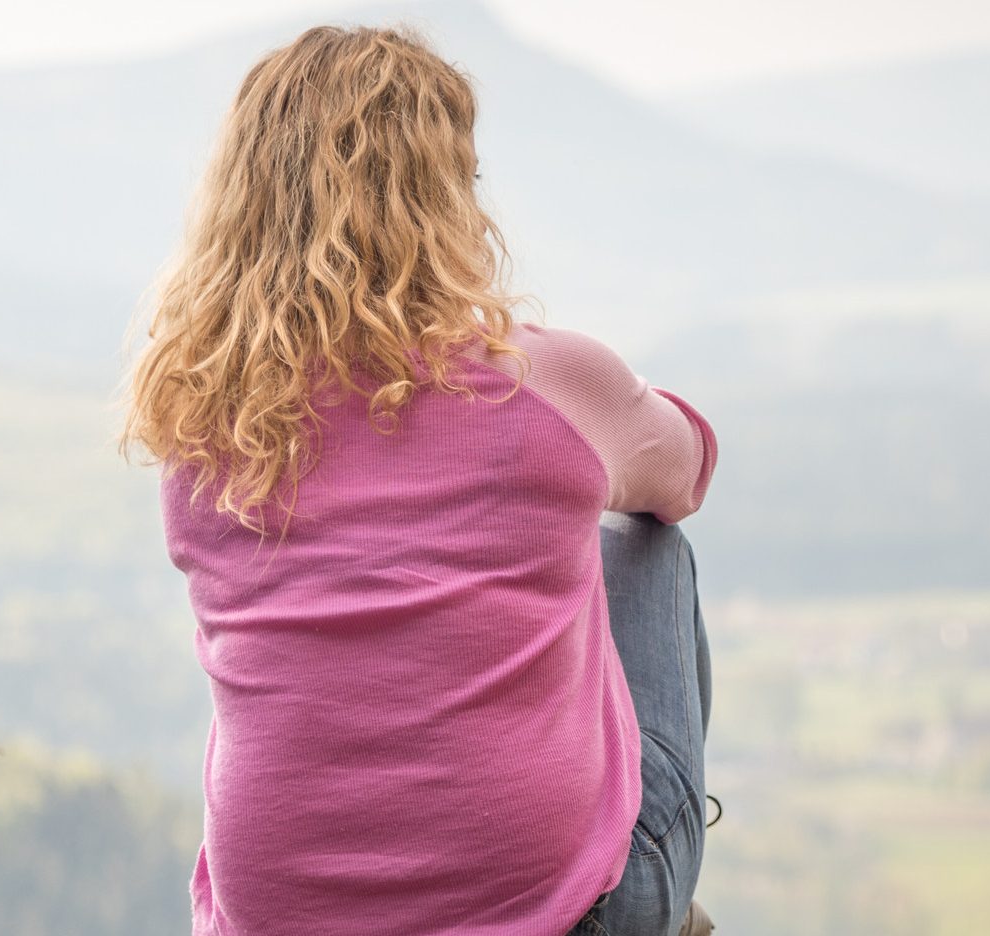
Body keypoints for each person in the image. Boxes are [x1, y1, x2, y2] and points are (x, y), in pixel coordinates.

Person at [121, 24, 719, 936]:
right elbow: (683, 472)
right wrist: (606, 416)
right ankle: (642, 877)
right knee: (643, 547)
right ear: (445, 202)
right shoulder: (548, 384)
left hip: (269, 924)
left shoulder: (204, 427)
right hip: (561, 921)